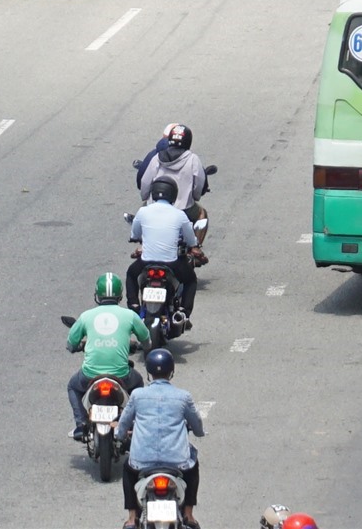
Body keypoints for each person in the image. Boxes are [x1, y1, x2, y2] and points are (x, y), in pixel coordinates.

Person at [118, 348, 204, 529]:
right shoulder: (183, 397)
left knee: (127, 468)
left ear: (148, 372)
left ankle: (132, 517)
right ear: (171, 371)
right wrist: (198, 431)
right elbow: (197, 427)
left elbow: (123, 424)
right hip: (176, 462)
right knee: (194, 462)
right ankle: (188, 514)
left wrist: (119, 435)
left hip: (142, 462)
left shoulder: (137, 395)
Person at [65, 273, 149, 441]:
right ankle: (132, 423)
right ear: (120, 295)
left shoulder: (86, 316)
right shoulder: (130, 315)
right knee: (138, 383)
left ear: (97, 294)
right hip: (121, 374)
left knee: (73, 388)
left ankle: (81, 424)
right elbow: (146, 338)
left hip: (90, 374)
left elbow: (70, 343)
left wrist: (76, 347)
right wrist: (143, 346)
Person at [127, 177, 199, 320]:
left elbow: (135, 233)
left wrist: (137, 238)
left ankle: (134, 305)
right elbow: (191, 239)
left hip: (146, 261)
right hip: (172, 262)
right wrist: (193, 245)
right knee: (191, 280)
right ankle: (184, 312)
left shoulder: (143, 211)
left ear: (153, 193)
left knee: (131, 274)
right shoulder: (180, 215)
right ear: (173, 194)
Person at [134, 123, 206, 212]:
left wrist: (145, 198)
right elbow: (199, 183)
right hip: (184, 208)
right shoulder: (193, 159)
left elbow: (145, 182)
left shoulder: (157, 157)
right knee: (202, 213)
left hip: (155, 206)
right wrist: (195, 197)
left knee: (141, 214)